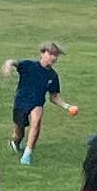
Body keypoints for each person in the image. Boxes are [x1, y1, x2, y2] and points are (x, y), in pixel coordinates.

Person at [10, 38, 67, 166]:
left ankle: (26, 155)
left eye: (56, 55)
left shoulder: (53, 76)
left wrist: (67, 107)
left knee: (36, 122)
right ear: (42, 53)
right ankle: (15, 142)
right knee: (19, 132)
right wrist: (8, 65)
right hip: (21, 102)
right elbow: (14, 63)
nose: (54, 58)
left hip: (37, 103)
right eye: (51, 54)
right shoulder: (29, 65)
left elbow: (54, 97)